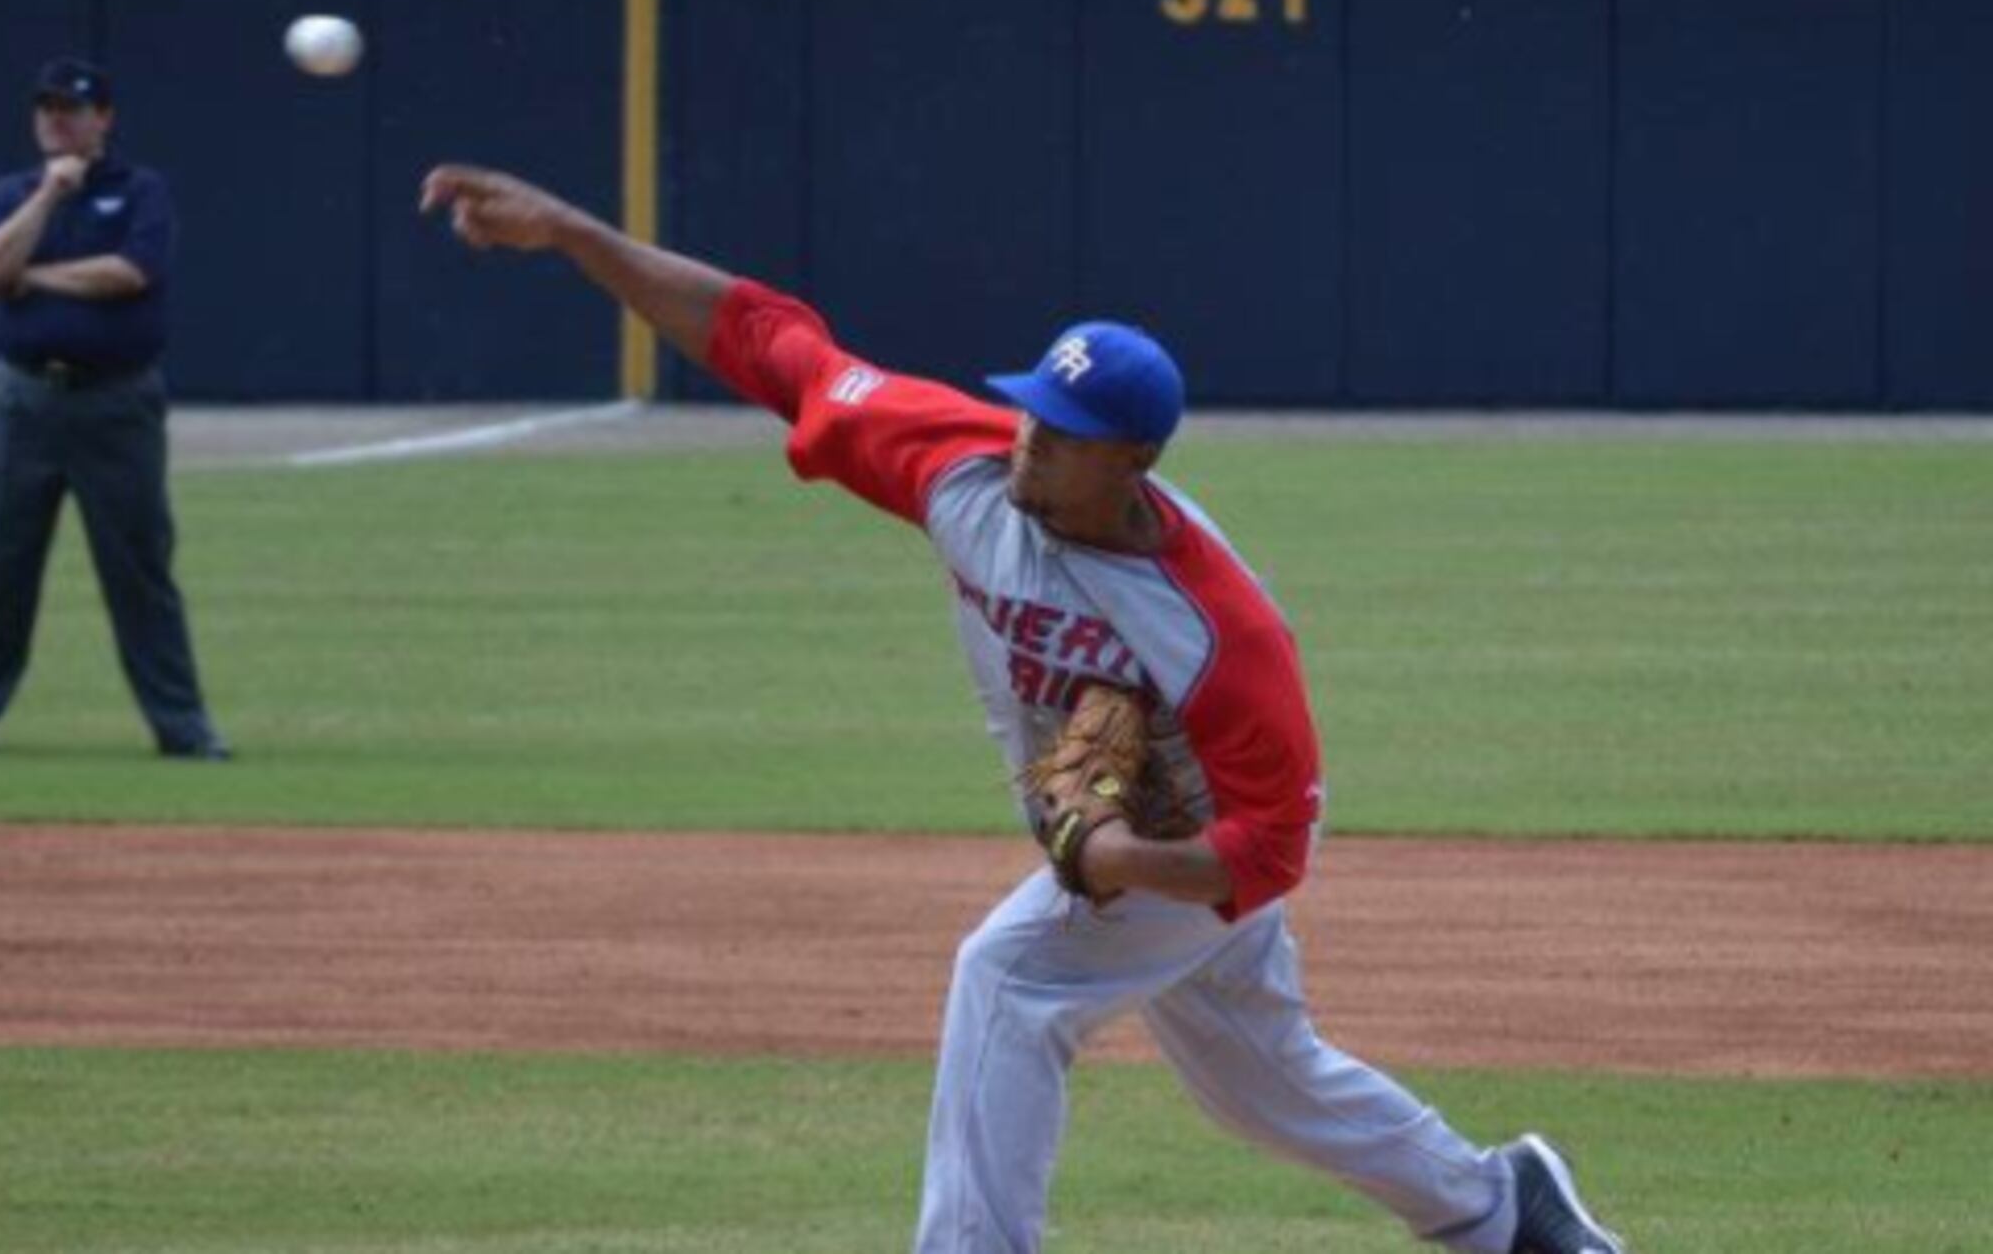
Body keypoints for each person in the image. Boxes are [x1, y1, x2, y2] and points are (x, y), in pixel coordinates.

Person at [416, 162, 1631, 1254]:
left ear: (1135, 463)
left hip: (1191, 843)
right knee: (1264, 1080)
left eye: (1063, 441)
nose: (1028, 449)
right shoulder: (964, 466)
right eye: (1032, 418)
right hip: (1129, 844)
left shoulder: (1221, 631)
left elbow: (1272, 849)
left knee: (1006, 975)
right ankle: (1497, 1204)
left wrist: (1118, 855)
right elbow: (764, 339)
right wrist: (577, 233)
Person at [0, 58, 229, 760]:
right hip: (24, 400)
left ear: (104, 118)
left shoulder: (139, 191)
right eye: (48, 109)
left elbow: (128, 274)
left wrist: (33, 278)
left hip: (116, 401)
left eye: (73, 108)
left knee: (140, 568)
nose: (58, 119)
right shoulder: (10, 193)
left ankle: (183, 728)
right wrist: (47, 201)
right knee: (1, 565)